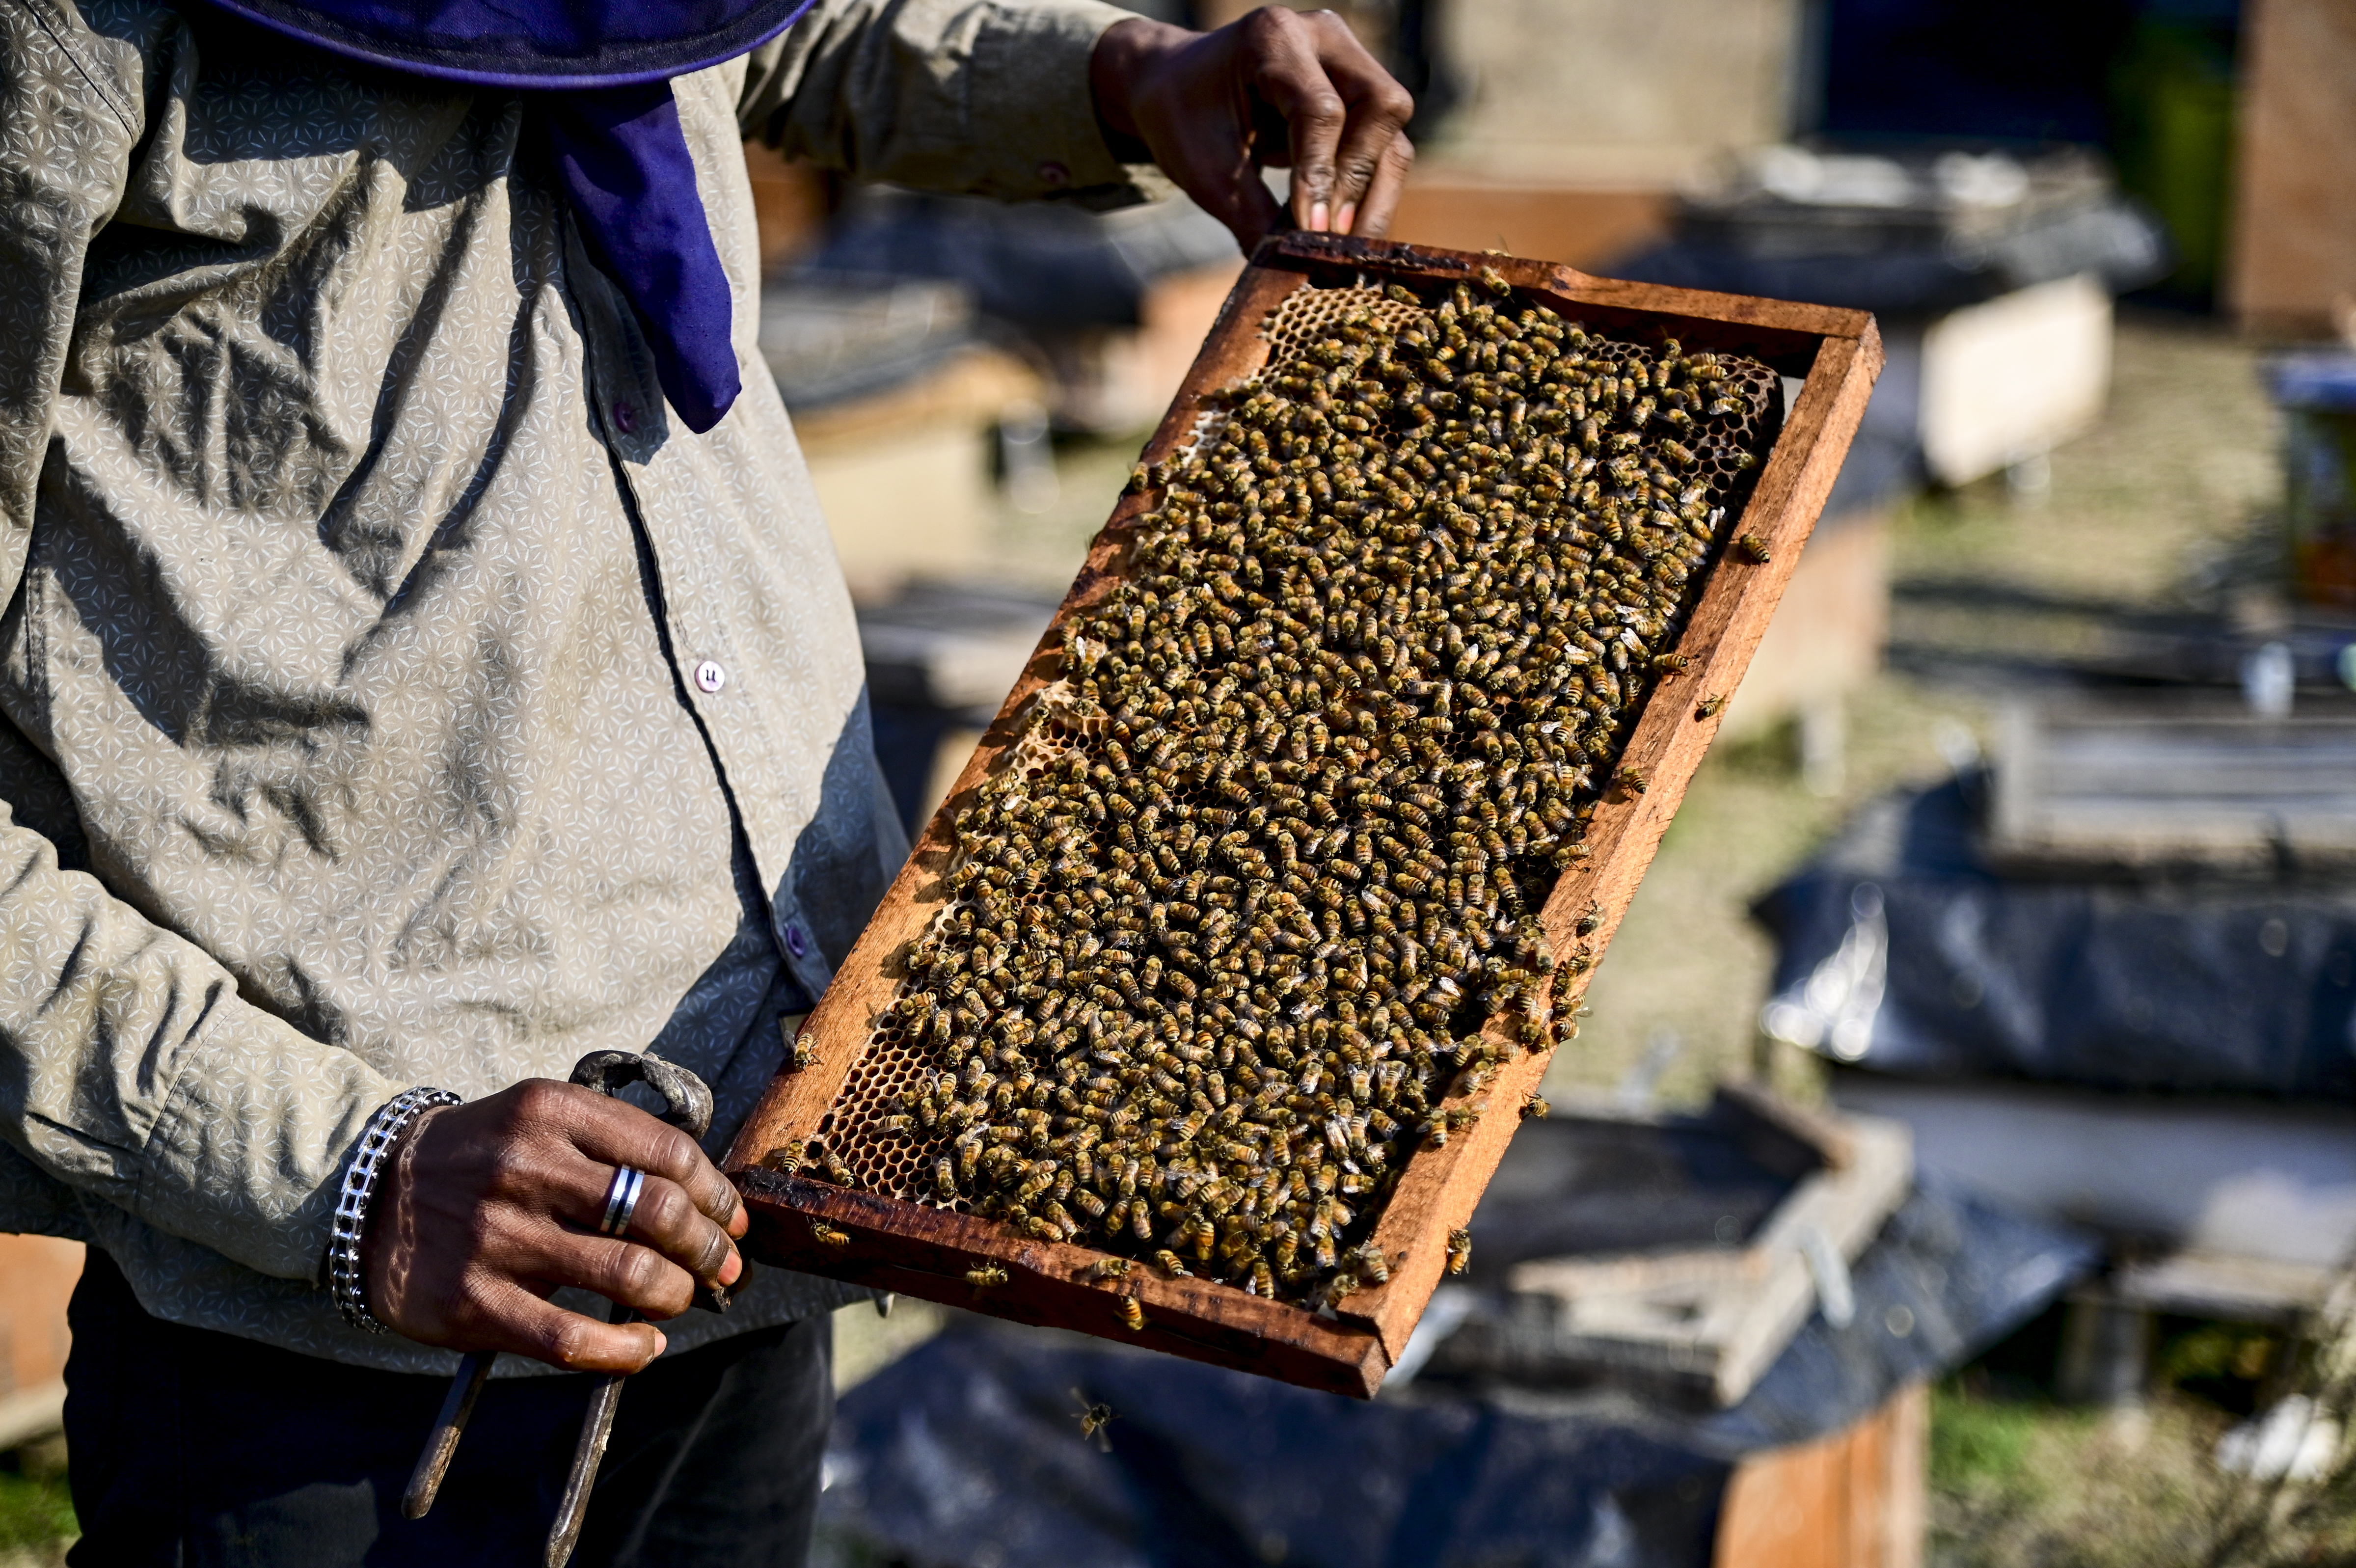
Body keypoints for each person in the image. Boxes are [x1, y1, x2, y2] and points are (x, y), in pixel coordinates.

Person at [0, 0, 1414, 1559]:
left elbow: (775, 28)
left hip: (765, 1179)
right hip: (335, 1334)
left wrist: (1119, 80)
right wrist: (340, 1171)